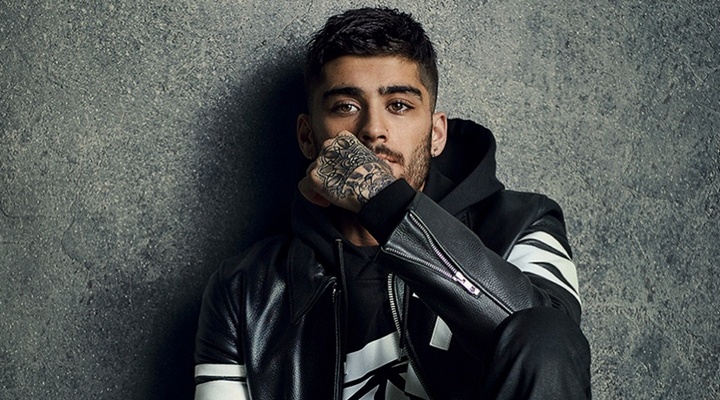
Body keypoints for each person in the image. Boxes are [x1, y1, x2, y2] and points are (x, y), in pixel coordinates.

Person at [193, 7, 591, 400]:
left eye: (399, 105)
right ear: (307, 137)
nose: (373, 130)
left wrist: (381, 199)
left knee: (545, 331)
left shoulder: (520, 224)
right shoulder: (246, 290)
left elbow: (549, 355)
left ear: (436, 134)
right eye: (346, 106)